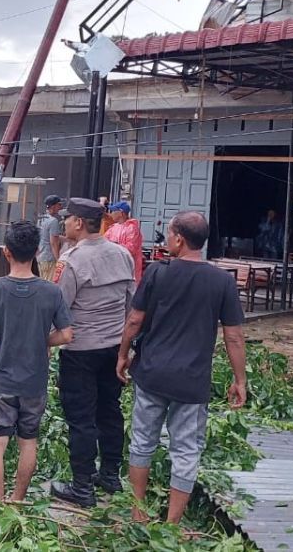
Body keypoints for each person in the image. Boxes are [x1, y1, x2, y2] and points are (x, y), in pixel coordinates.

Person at [117, 211, 247, 524]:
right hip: (192, 382)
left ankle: (138, 512)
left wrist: (122, 354)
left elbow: (135, 320)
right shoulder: (222, 281)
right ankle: (172, 524)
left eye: (169, 234)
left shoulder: (158, 273)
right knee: (186, 451)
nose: (166, 239)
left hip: (152, 374)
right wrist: (239, 379)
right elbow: (234, 337)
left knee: (143, 442)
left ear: (179, 239)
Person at [0, 220, 73, 501]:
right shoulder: (51, 292)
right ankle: (18, 501)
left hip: (0, 377)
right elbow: (67, 334)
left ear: (6, 252)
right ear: (36, 251)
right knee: (28, 441)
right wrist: (42, 339)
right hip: (34, 381)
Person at [50, 198, 136, 506]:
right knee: (110, 411)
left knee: (81, 418)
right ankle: (110, 475)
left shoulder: (71, 261)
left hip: (80, 351)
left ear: (78, 223)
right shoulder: (122, 255)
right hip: (114, 348)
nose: (64, 223)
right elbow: (131, 305)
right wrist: (128, 348)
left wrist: (44, 343)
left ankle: (82, 488)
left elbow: (58, 308)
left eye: (68, 218)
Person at [105, 201, 145, 283]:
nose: (111, 214)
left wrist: (114, 246)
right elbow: (103, 241)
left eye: (113, 211)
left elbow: (131, 249)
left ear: (121, 213)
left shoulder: (132, 228)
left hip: (129, 270)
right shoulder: (113, 228)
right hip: (114, 269)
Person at [37, 195, 66, 280]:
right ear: (53, 206)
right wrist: (58, 260)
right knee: (49, 283)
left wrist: (68, 239)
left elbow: (46, 235)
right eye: (59, 205)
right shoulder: (54, 221)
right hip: (49, 258)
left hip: (41, 257)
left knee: (43, 280)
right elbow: (53, 242)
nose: (61, 207)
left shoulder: (41, 219)